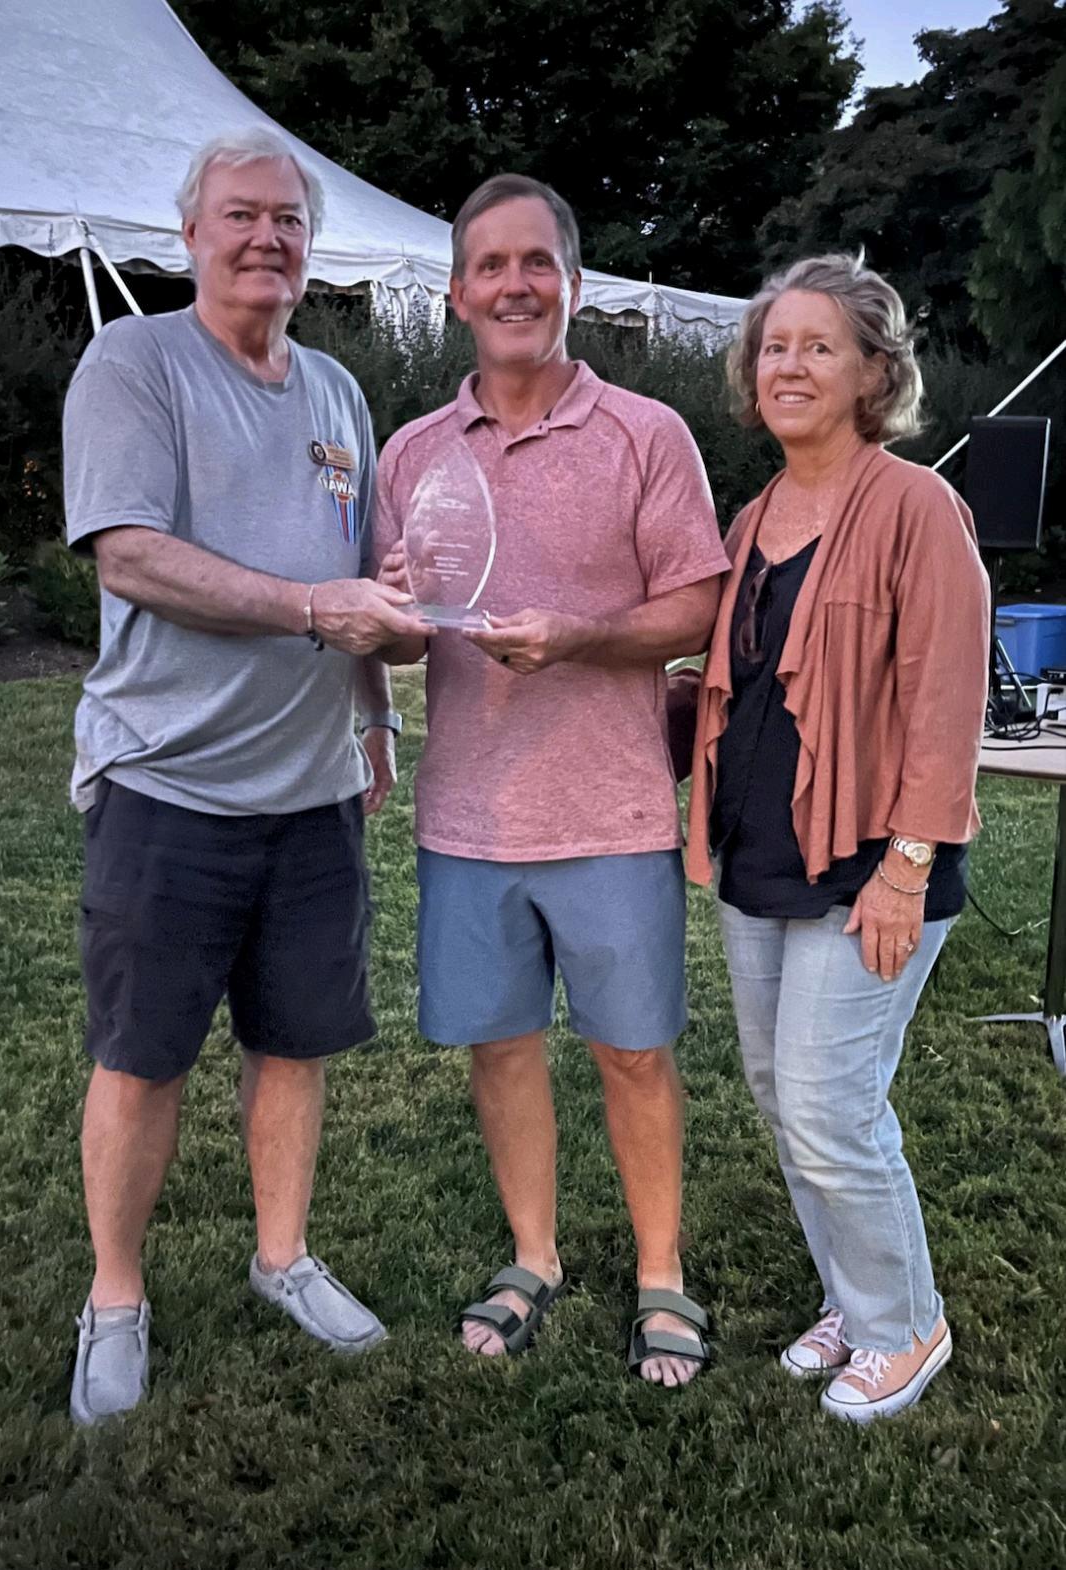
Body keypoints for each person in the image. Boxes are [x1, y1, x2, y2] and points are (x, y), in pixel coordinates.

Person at [63, 128, 419, 1427]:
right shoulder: (134, 362)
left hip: (313, 791)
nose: (266, 237)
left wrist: (374, 713)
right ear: (191, 233)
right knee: (142, 1054)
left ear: (309, 246)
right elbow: (130, 555)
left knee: (294, 1041)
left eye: (288, 219)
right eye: (241, 215)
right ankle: (114, 1297)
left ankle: (284, 1257)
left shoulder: (335, 390)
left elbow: (360, 573)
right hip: (168, 785)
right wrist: (314, 610)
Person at [375, 174, 728, 1388]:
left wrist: (578, 637)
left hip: (609, 808)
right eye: (491, 265)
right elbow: (402, 621)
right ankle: (534, 1253)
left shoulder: (644, 435)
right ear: (457, 293)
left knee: (631, 1051)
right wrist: (388, 613)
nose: (515, 285)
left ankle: (660, 1271)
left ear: (572, 284)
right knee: (502, 1044)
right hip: (468, 814)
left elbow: (696, 604)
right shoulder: (412, 453)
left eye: (538, 263)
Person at [686, 254, 990, 1422]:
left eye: (818, 346)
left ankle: (904, 1327)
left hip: (872, 865)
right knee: (783, 1100)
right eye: (773, 346)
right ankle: (853, 1296)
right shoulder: (752, 518)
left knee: (829, 1107)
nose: (787, 365)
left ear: (873, 373)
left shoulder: (916, 507)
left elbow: (945, 700)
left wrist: (906, 868)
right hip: (759, 856)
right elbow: (742, 687)